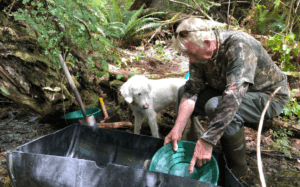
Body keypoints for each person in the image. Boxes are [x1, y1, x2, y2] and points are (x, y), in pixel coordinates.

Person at [164, 17, 289, 178]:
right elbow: (192, 90)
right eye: (188, 55)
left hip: (268, 96)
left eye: (193, 54)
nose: (192, 60)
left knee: (215, 105)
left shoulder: (239, 46)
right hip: (226, 91)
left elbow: (232, 98)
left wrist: (208, 140)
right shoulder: (197, 47)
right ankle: (189, 148)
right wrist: (177, 127)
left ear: (208, 43)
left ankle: (237, 170)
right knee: (183, 92)